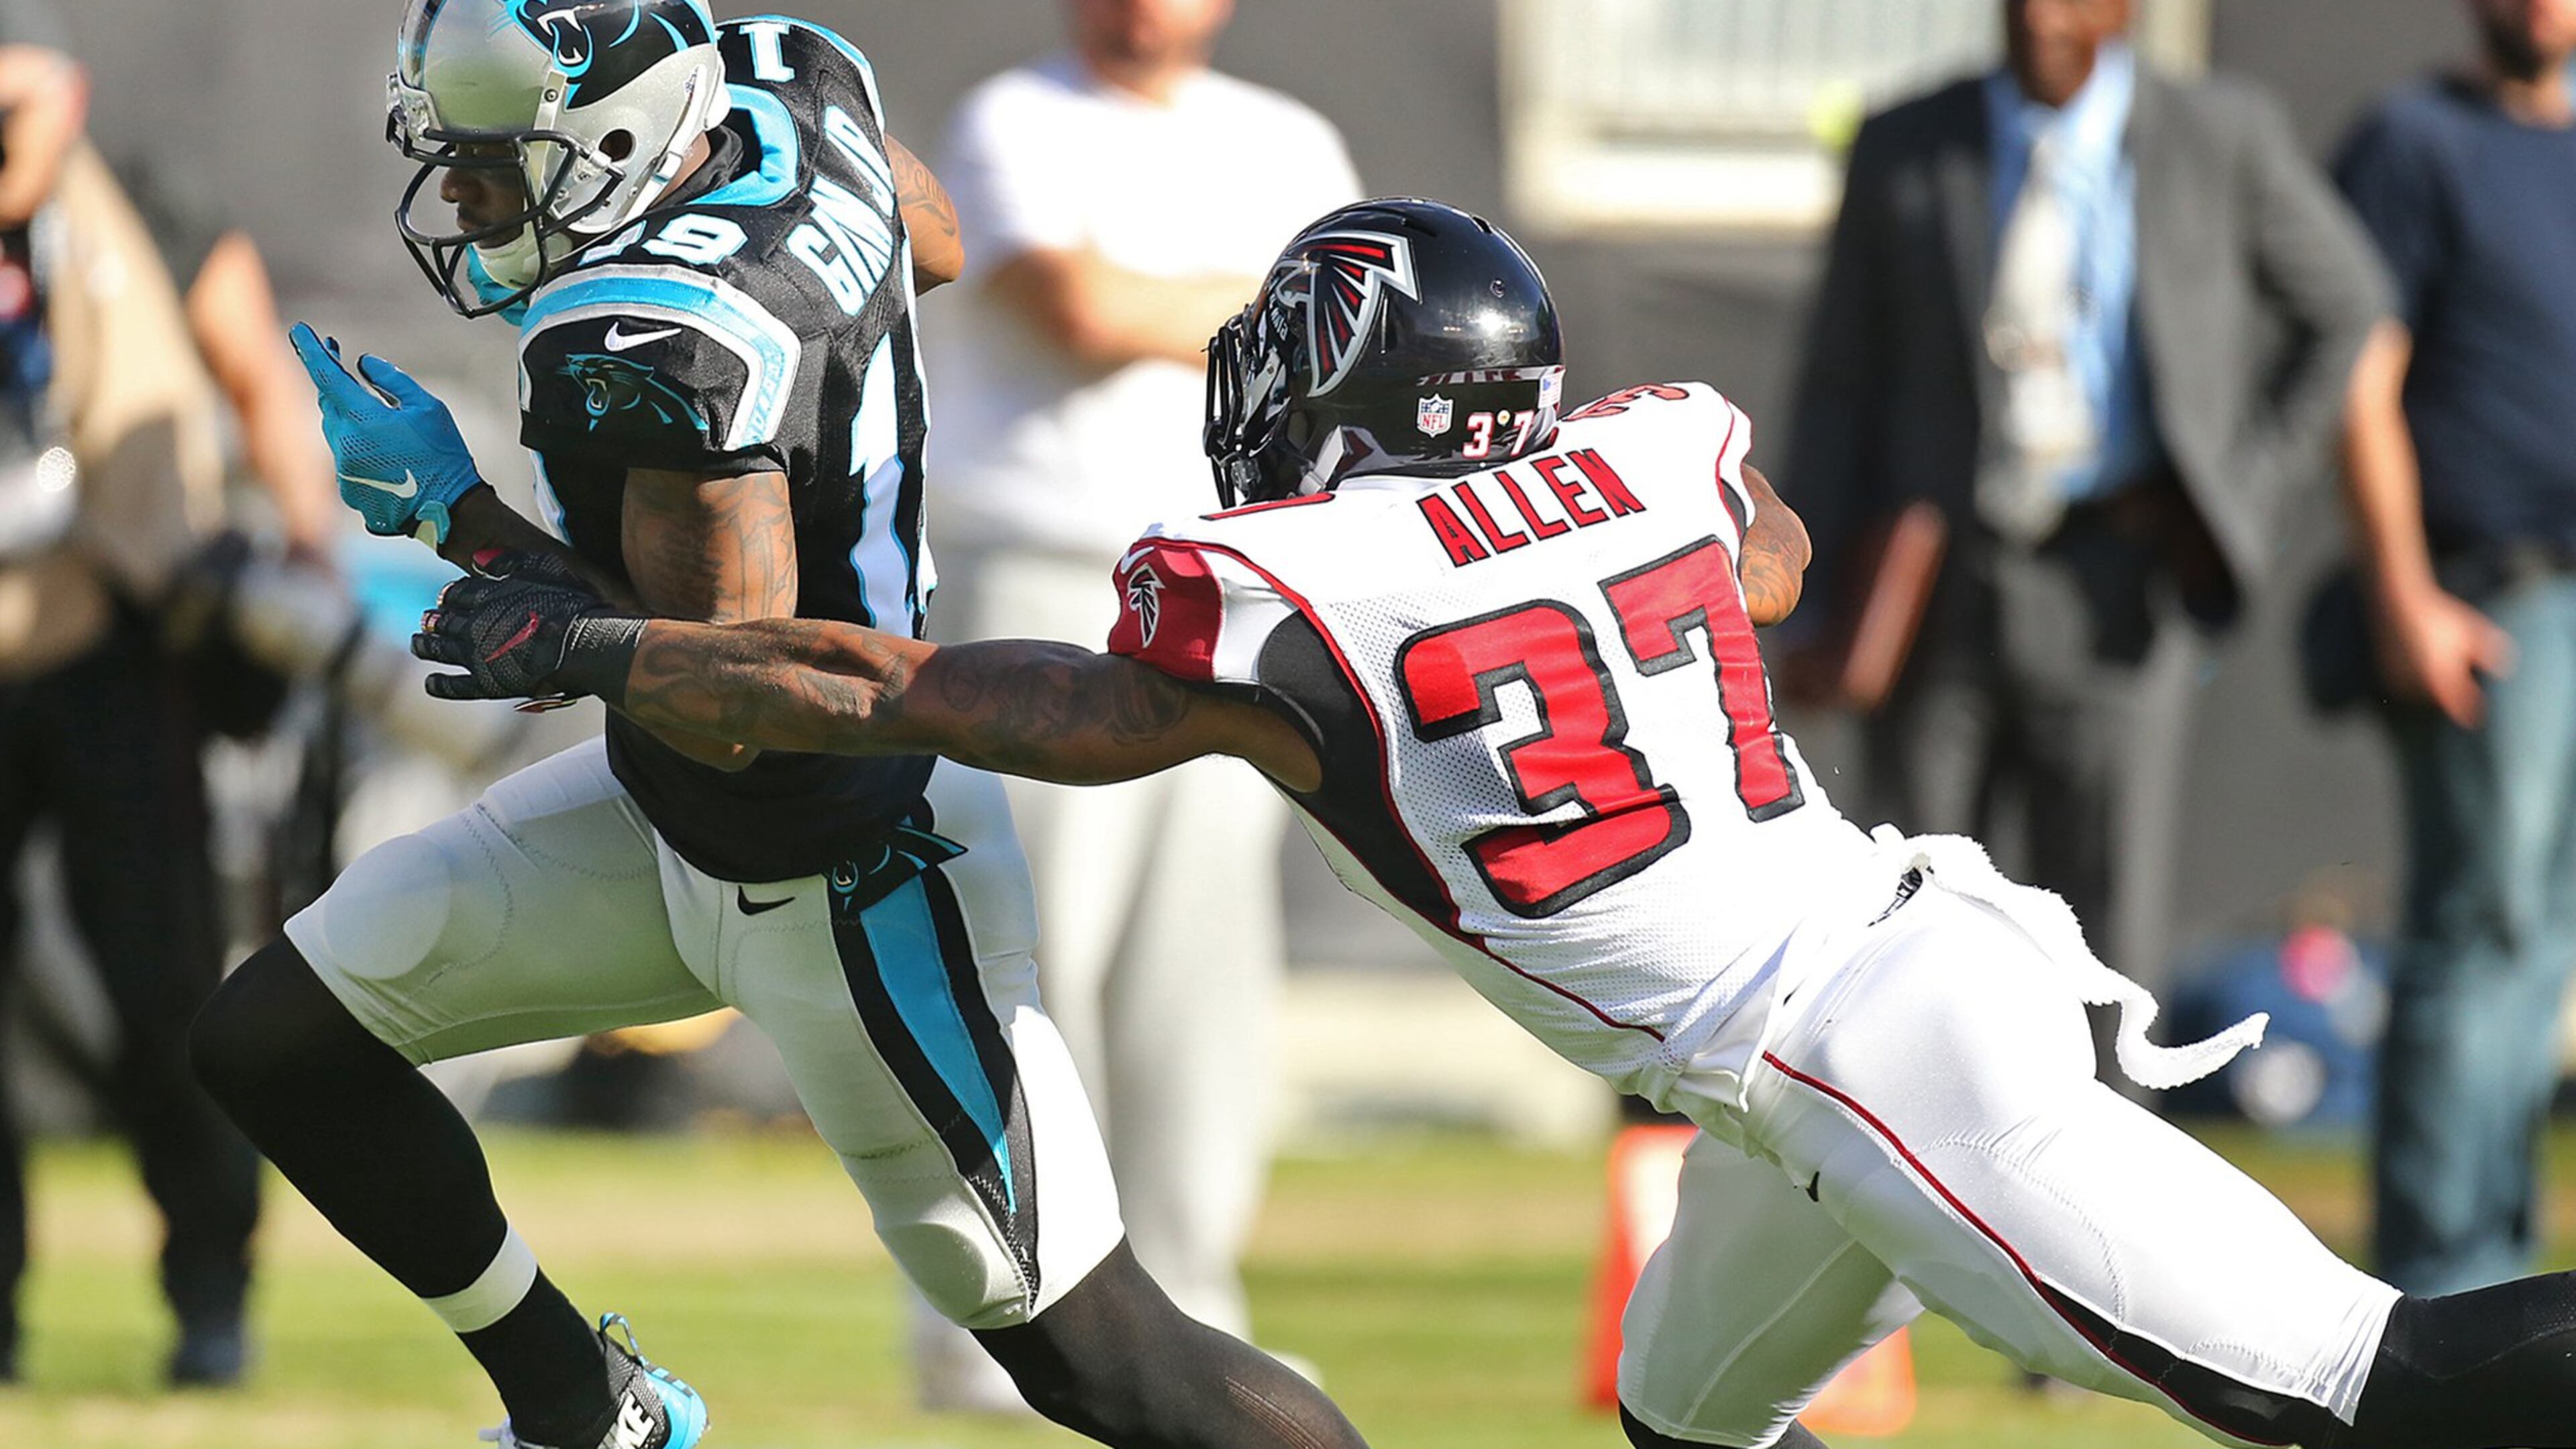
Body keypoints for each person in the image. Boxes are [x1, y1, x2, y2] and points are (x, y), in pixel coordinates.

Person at [423, 196, 2576, 1449]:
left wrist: (587, 643)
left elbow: (869, 689)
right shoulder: (1654, 452)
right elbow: (1778, 563)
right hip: (1856, 1002)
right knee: (1679, 1413)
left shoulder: (1274, 604)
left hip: (1861, 1048)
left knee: (2367, 1390)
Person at [184, 5, 1371, 1449]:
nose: (467, 199)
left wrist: (462, 520)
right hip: (667, 823)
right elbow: (923, 246)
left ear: (609, 139)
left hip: (844, 868)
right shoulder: (790, 81)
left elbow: (731, 696)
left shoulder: (647, 337)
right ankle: (584, 1407)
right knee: (277, 1040)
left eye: (496, 164)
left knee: (1105, 1358)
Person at [1783, 0, 2387, 1022]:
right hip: (1944, 576)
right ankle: (1919, 1164)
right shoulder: (1910, 145)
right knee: (1920, 904)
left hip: (2118, 574)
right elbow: (1839, 381)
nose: (2042, 17)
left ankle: (2100, 1164)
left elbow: (2348, 306)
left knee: (2107, 918)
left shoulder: (2214, 135)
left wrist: (2243, 483)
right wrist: (1807, 598)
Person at [916, 0, 1360, 1389]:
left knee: (1201, 980)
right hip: (1049, 587)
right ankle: (996, 1327)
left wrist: (1177, 304)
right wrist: (1264, 310)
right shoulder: (1012, 119)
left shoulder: (1292, 138)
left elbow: (1359, 351)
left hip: (1240, 603)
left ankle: (1192, 1308)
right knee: (1022, 956)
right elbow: (1081, 307)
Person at [0, 39, 308, 1387]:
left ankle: (209, 1295)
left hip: (122, 643)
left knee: (166, 986)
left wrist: (303, 548)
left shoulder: (138, 199)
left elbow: (254, 376)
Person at [2333, 0, 2576, 1296]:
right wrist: (2406, 594)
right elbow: (2359, 380)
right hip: (2494, 598)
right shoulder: (2415, 142)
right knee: (2481, 925)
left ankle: (2504, 1267)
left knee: (2543, 943)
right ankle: (2439, 1287)